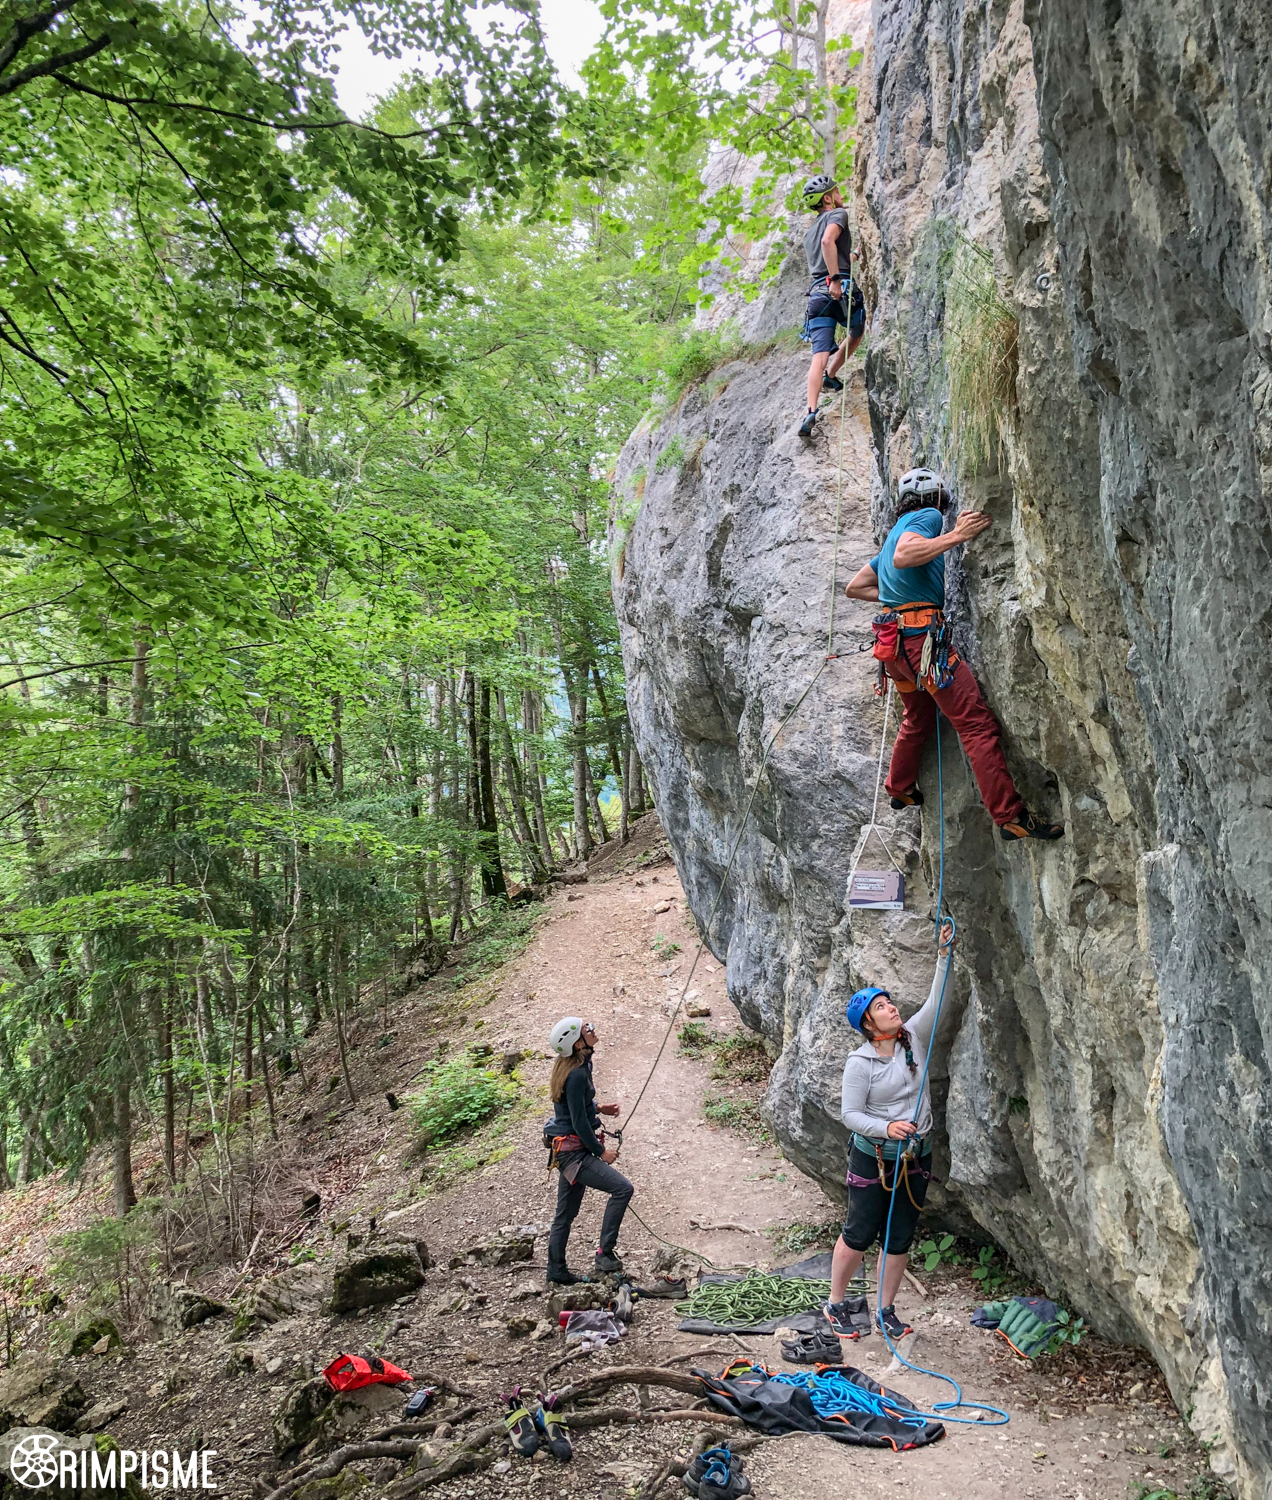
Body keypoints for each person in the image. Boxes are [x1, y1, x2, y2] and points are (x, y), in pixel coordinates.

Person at [844, 467, 1064, 842]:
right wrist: (956, 536)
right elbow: (905, 556)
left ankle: (899, 786)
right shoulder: (928, 516)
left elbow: (855, 586)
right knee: (976, 724)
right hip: (921, 644)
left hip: (895, 649)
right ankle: (1010, 816)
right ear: (935, 495)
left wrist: (897, 597)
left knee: (917, 716)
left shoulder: (893, 533)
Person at [822, 921, 955, 1343]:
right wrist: (887, 1127)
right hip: (874, 1157)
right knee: (860, 1232)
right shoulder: (859, 1064)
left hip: (916, 1155)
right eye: (881, 1007)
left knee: (899, 1237)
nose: (891, 1008)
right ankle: (836, 1303)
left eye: (889, 1002)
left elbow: (938, 1001)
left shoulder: (913, 1037)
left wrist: (943, 955)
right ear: (868, 1023)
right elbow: (850, 1114)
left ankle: (885, 1310)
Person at [544, 1016, 632, 1284]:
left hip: (567, 1150)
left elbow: (575, 1107)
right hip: (574, 1154)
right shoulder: (576, 1074)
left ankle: (556, 1271)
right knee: (622, 1189)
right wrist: (600, 1151)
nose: (593, 1030)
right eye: (587, 1029)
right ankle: (604, 1254)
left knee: (565, 1214)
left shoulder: (577, 1065)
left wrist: (599, 1108)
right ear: (577, 1043)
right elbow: (578, 1121)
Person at [797, 173, 866, 440]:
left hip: (816, 296)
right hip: (839, 288)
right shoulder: (838, 215)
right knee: (857, 330)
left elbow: (831, 252)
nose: (841, 196)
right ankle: (833, 372)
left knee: (818, 355)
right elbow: (829, 241)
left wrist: (854, 255)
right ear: (828, 199)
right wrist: (836, 279)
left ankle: (810, 409)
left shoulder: (808, 234)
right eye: (837, 192)